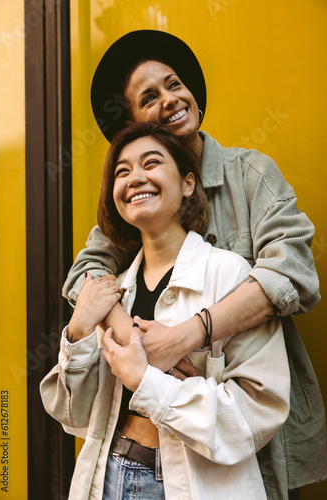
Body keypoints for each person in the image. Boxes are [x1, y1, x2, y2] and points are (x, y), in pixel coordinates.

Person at [62, 30, 327, 498]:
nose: (171, 99)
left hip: (248, 421)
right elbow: (85, 277)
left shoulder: (250, 173)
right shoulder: (137, 199)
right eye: (149, 97)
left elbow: (292, 273)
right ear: (133, 126)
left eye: (174, 84)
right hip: (145, 446)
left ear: (188, 186)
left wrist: (185, 336)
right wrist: (136, 344)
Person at [41, 121, 291, 500]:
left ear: (188, 184)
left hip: (195, 485)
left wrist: (148, 382)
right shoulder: (114, 291)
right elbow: (72, 415)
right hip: (106, 476)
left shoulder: (229, 275)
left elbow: (256, 413)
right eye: (122, 172)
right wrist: (76, 332)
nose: (135, 178)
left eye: (151, 163)